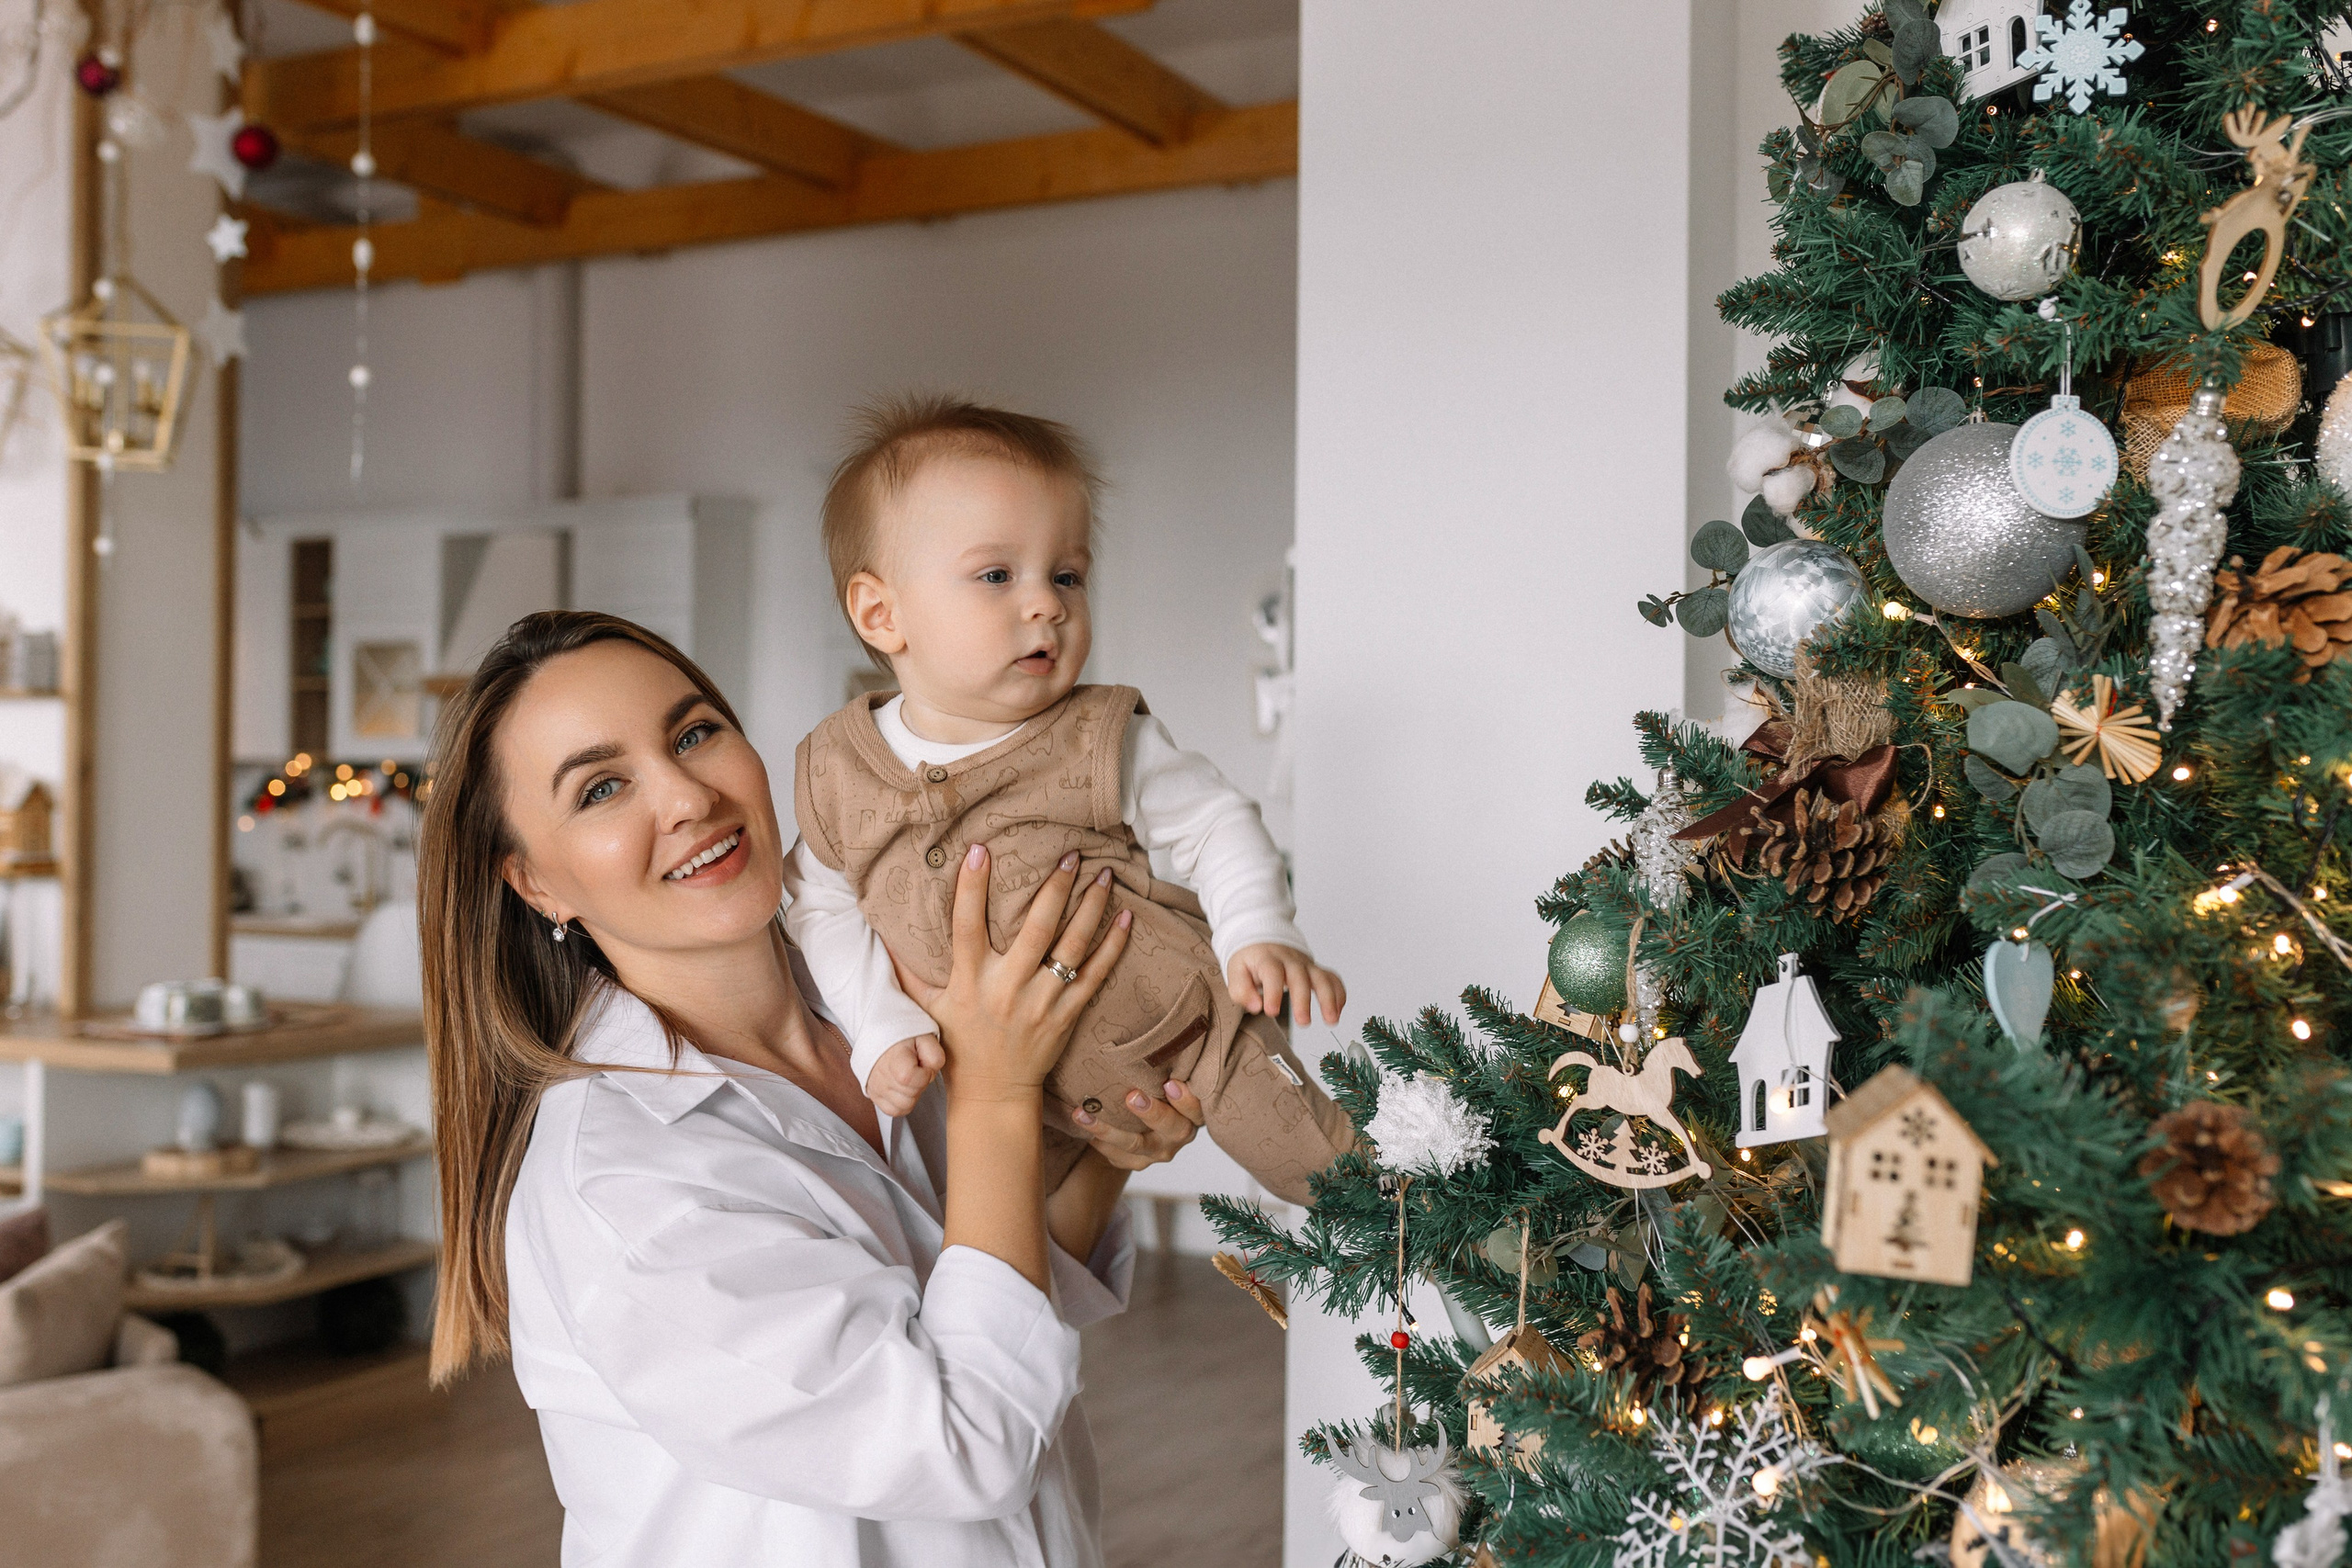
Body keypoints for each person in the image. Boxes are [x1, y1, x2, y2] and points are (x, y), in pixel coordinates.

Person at [419, 610, 1204, 1567]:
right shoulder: (624, 1186)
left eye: (694, 733)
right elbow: (968, 1443)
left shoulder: (886, 997)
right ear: (537, 882)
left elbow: (994, 1308)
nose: (685, 796)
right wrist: (1001, 1093)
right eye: (603, 787)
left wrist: (1105, 1149)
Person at [784, 395, 1352, 1203]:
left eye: (1067, 574)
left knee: (1320, 1167)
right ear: (882, 613)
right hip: (1008, 1093)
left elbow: (1217, 822)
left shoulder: (1101, 737)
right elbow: (819, 907)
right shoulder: (838, 770)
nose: (1048, 602)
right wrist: (879, 1024)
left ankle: (1458, 1243)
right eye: (996, 575)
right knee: (983, 1244)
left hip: (1186, 1031)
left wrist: (1256, 929)